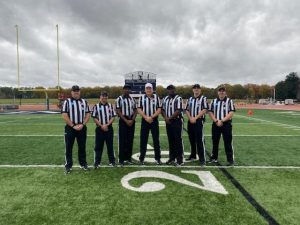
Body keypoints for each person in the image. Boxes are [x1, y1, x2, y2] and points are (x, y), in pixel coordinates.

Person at [61, 85, 90, 174]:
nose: (76, 92)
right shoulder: (67, 102)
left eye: (77, 91)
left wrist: (83, 124)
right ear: (71, 92)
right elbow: (64, 115)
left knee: (82, 146)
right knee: (69, 147)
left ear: (79, 92)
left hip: (82, 127)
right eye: (74, 91)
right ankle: (68, 165)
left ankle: (83, 164)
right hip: (70, 128)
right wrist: (73, 125)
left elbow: (88, 114)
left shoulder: (84, 102)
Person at [208, 86, 236, 166]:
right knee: (215, 141)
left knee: (228, 142)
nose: (221, 92)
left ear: (225, 92)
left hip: (226, 124)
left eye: (223, 91)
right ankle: (214, 158)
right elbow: (210, 112)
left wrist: (222, 120)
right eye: (220, 91)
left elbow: (231, 112)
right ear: (218, 92)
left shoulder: (229, 101)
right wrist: (216, 121)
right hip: (216, 123)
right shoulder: (214, 101)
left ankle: (230, 160)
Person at [137, 83, 162, 165]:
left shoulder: (156, 97)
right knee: (143, 140)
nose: (148, 90)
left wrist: (151, 117)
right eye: (147, 88)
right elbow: (139, 109)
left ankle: (158, 158)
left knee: (156, 140)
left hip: (154, 120)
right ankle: (141, 159)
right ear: (145, 89)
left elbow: (159, 109)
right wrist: (146, 117)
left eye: (150, 88)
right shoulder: (141, 98)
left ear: (152, 89)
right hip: (145, 120)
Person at [92, 91, 116, 168]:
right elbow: (94, 117)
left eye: (105, 96)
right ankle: (97, 162)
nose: (104, 98)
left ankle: (112, 161)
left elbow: (113, 116)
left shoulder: (110, 105)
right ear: (100, 97)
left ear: (107, 97)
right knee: (98, 146)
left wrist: (107, 125)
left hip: (109, 128)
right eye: (103, 96)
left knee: (110, 146)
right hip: (99, 129)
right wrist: (101, 125)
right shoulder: (96, 106)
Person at [185, 84, 208, 166]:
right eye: (195, 88)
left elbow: (205, 109)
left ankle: (202, 159)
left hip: (199, 121)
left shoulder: (203, 98)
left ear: (200, 90)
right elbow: (186, 109)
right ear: (193, 90)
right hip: (190, 120)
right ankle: (193, 155)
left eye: (198, 88)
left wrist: (195, 117)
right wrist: (190, 118)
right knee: (191, 139)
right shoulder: (190, 99)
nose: (196, 90)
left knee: (199, 140)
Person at [162, 85, 184, 166]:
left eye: (172, 89)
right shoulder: (165, 99)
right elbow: (162, 109)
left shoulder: (178, 98)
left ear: (175, 89)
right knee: (171, 140)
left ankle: (180, 160)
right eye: (169, 89)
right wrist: (165, 118)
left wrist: (169, 118)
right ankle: (172, 158)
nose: (171, 91)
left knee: (178, 140)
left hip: (177, 121)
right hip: (168, 122)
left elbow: (178, 110)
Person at [116, 84, 137, 166]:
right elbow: (118, 110)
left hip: (131, 120)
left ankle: (128, 158)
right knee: (122, 140)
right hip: (123, 121)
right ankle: (121, 159)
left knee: (130, 140)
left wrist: (132, 119)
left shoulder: (133, 99)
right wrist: (126, 120)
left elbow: (135, 110)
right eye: (126, 89)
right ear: (123, 90)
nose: (127, 90)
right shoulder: (119, 99)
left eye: (129, 89)